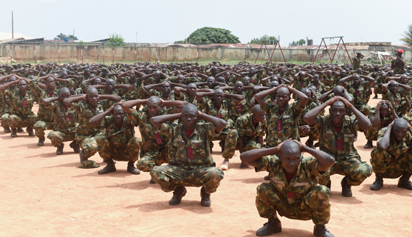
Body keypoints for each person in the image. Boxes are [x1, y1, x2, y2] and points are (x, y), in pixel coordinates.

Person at [240, 140, 335, 237]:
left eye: (296, 159)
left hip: (305, 208)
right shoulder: (274, 163)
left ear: (300, 157)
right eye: (287, 159)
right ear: (280, 157)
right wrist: (275, 149)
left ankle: (320, 228)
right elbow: (244, 157)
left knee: (322, 191)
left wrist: (305, 148)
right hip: (283, 206)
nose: (292, 163)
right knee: (263, 188)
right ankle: (273, 224)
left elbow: (330, 161)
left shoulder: (308, 165)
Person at [150, 104, 226, 207]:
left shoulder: (204, 129)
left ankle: (205, 193)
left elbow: (222, 124)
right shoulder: (174, 129)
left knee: (216, 173)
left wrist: (202, 115)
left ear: (197, 117)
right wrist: (178, 115)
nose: (188, 119)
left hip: (200, 171)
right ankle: (179, 190)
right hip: (179, 171)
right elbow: (154, 120)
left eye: (192, 116)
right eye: (185, 116)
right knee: (156, 172)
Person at [304, 97, 372, 197]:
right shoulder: (323, 121)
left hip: (348, 159)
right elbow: (307, 118)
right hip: (328, 159)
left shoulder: (350, 121)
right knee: (315, 168)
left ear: (345, 112)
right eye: (334, 110)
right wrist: (326, 103)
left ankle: (346, 184)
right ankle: (326, 184)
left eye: (341, 111)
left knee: (363, 171)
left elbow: (367, 125)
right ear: (330, 111)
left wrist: (351, 106)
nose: (337, 113)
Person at [120, 97, 188, 183]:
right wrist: (144, 100)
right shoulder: (142, 116)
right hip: (151, 152)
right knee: (142, 164)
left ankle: (172, 173)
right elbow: (124, 105)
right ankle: (156, 172)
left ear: (160, 107)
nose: (152, 110)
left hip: (167, 149)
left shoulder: (166, 114)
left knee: (180, 146)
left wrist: (165, 102)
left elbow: (185, 105)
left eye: (155, 107)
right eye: (149, 107)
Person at [63, 87, 121, 164]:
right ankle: (83, 155)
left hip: (98, 133)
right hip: (85, 136)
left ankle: (106, 157)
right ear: (87, 97)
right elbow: (66, 101)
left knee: (113, 140)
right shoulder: (81, 105)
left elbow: (118, 98)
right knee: (92, 147)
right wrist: (82, 97)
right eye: (91, 96)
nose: (94, 98)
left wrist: (101, 96)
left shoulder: (102, 104)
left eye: (95, 96)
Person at [196, 88, 243, 170]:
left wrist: (226, 95)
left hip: (224, 129)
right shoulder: (208, 103)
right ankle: (203, 160)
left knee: (234, 133)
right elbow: (198, 95)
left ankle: (226, 160)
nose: (219, 98)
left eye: (221, 96)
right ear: (213, 96)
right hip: (211, 129)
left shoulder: (226, 103)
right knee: (199, 133)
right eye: (217, 96)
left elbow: (241, 97)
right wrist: (210, 92)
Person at [89, 104, 141, 175]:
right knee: (100, 139)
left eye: (120, 114)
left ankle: (131, 165)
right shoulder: (109, 120)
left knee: (136, 140)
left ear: (124, 113)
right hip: (113, 152)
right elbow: (92, 122)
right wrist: (107, 111)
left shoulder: (128, 120)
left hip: (127, 152)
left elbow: (138, 119)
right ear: (112, 114)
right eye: (116, 114)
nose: (118, 116)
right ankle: (110, 165)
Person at [370, 118, 412, 191]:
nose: (399, 134)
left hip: (400, 168)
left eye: (403, 132)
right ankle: (379, 180)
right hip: (385, 169)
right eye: (396, 131)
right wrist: (389, 127)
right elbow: (382, 146)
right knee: (377, 151)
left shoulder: (408, 134)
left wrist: (410, 128)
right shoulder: (384, 131)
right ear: (392, 128)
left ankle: (404, 180)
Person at [43, 87, 80, 155]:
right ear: (59, 96)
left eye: (67, 96)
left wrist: (72, 97)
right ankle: (60, 146)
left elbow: (84, 96)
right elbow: (45, 101)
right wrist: (57, 98)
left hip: (73, 130)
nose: (65, 98)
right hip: (60, 131)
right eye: (62, 96)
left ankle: (75, 145)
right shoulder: (57, 104)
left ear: (70, 95)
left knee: (85, 131)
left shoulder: (74, 104)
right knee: (53, 135)